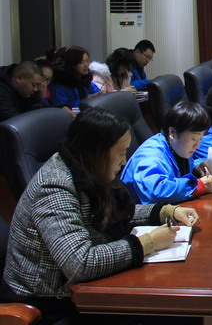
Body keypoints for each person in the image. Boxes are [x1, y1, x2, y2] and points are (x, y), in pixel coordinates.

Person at [1, 108, 200, 324]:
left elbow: (114, 215)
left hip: (79, 288)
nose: (124, 161)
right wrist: (147, 243)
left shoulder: (87, 167)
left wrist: (165, 211)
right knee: (174, 314)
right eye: (121, 153)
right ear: (98, 151)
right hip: (50, 302)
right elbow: (80, 263)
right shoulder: (54, 187)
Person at [122, 101, 212, 204]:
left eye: (200, 139)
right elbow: (156, 192)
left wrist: (196, 168)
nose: (197, 145)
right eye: (194, 138)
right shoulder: (151, 158)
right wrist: (197, 186)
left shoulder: (177, 145)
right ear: (172, 132)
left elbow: (177, 170)